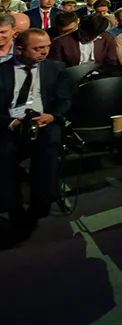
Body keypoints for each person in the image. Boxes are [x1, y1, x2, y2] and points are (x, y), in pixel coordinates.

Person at [1, 29, 70, 245]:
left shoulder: (55, 68)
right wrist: (11, 122)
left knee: (49, 145)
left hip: (43, 121)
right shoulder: (2, 71)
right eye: (38, 48)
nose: (44, 52)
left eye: (47, 47)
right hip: (9, 124)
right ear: (19, 49)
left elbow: (64, 99)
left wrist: (52, 116)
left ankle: (43, 199)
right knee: (3, 154)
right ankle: (13, 206)